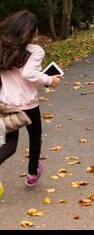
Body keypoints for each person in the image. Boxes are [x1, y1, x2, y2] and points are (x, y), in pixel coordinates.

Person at [0, 11, 61, 196]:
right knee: (35, 137)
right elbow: (28, 74)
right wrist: (51, 81)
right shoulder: (35, 51)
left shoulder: (2, 48)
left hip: (6, 103)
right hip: (28, 105)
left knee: (10, 143)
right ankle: (32, 173)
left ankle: (33, 172)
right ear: (30, 32)